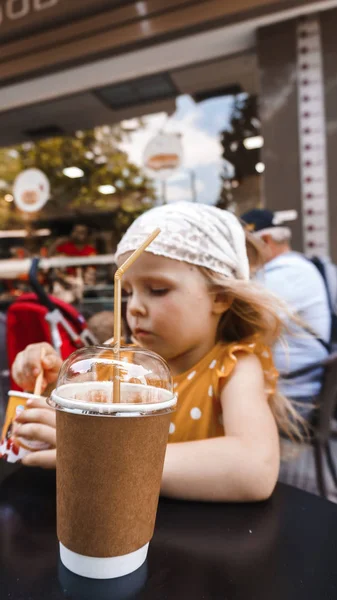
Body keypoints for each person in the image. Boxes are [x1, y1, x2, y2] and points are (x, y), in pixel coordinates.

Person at [11, 202, 301, 502]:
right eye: (128, 292)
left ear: (221, 297)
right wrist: (46, 384)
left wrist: (99, 453)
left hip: (200, 537)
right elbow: (71, 424)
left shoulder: (233, 367)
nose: (134, 307)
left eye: (157, 289)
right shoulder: (121, 365)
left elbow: (254, 468)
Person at [240, 208, 331, 418]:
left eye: (246, 247)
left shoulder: (286, 273)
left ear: (267, 240)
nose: (243, 254)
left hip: (298, 392)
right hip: (302, 383)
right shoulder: (292, 267)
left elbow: (247, 324)